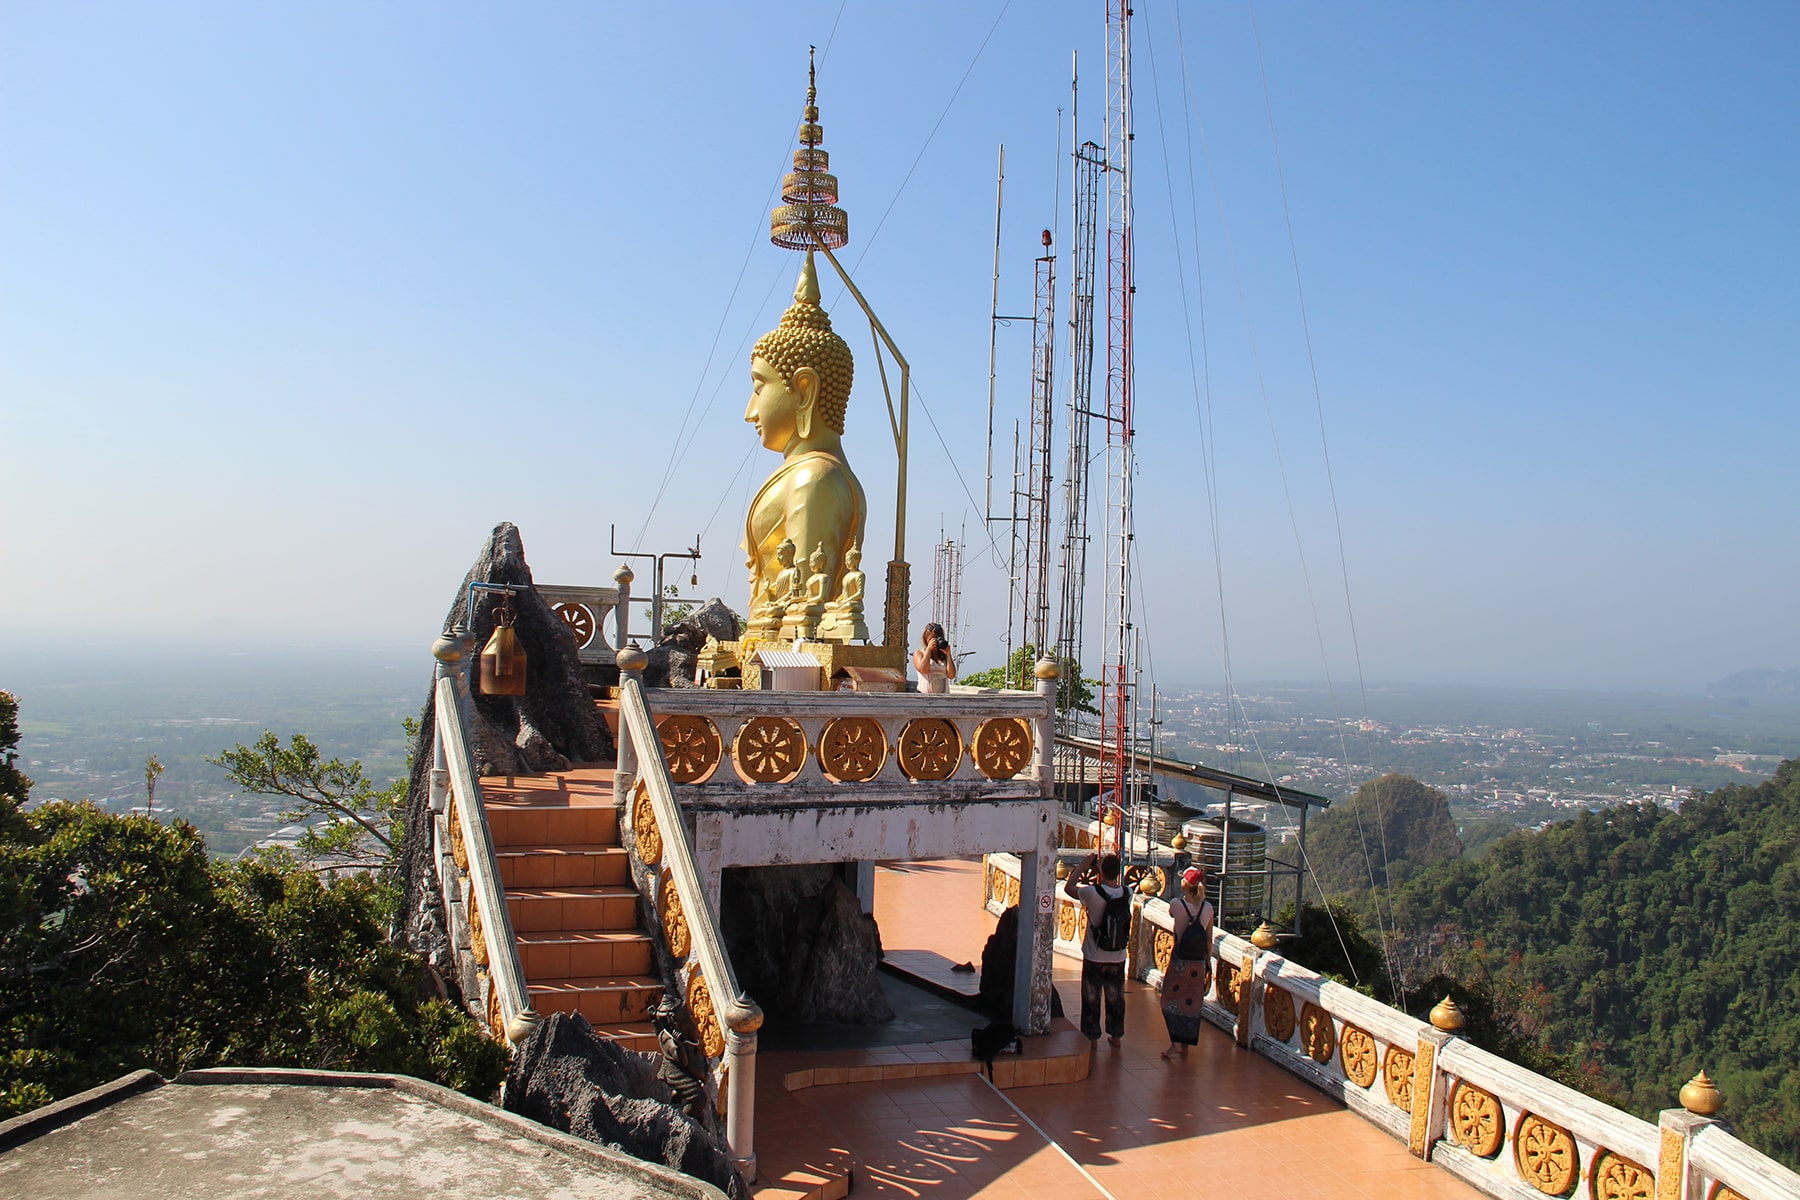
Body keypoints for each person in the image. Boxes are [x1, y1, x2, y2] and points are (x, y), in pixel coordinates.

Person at [742, 252, 868, 633]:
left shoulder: (813, 480)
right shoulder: (812, 473)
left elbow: (804, 605)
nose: (750, 411)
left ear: (804, 389)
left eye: (759, 387)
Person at [1064, 851, 1129, 1046]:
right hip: (1118, 955)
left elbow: (1069, 888)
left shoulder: (1091, 893)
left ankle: (1092, 1038)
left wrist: (1083, 867)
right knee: (1116, 997)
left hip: (1095, 955)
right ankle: (1116, 1035)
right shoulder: (1128, 893)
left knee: (1091, 997)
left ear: (1101, 871)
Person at [1160, 865, 1215, 1061]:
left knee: (1168, 1000)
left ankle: (1175, 1042)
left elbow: (1171, 914)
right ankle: (1185, 1045)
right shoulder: (1208, 908)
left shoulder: (1176, 904)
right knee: (1191, 1004)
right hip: (1198, 963)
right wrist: (1208, 961)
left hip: (1180, 960)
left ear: (1185, 884)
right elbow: (1209, 939)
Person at [913, 623, 956, 693]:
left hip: (943, 699)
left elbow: (951, 675)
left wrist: (948, 655)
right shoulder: (919, 654)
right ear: (926, 638)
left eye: (937, 639)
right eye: (932, 639)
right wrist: (928, 650)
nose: (935, 642)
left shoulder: (943, 657)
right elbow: (924, 670)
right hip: (924, 698)